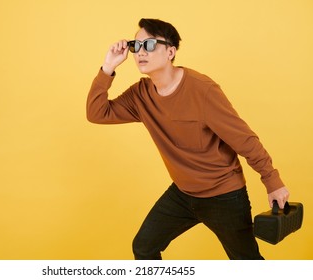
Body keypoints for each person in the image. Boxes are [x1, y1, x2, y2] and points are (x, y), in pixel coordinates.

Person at [86, 18, 289, 260]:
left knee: (247, 263)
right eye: (135, 45)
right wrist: (108, 67)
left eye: (149, 44)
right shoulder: (140, 95)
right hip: (182, 193)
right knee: (144, 247)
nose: (140, 52)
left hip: (223, 195)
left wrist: (273, 182)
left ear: (170, 51)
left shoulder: (202, 90)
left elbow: (244, 139)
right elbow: (97, 113)